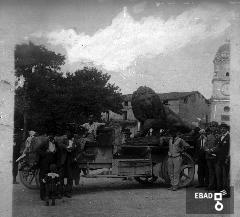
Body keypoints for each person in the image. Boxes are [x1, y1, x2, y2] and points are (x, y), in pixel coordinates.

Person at [36, 135, 60, 200]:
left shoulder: (56, 144)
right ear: (50, 139)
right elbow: (37, 149)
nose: (54, 140)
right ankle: (43, 196)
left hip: (52, 164)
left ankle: (51, 195)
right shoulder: (45, 143)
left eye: (55, 140)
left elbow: (57, 153)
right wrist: (44, 154)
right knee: (43, 179)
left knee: (52, 180)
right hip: (44, 163)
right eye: (53, 139)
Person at [215, 123, 230, 197]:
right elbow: (218, 148)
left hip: (226, 160)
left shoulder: (229, 137)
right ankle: (220, 191)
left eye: (224, 128)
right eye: (221, 128)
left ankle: (226, 193)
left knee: (225, 177)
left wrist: (228, 158)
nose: (222, 129)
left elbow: (231, 149)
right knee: (219, 176)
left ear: (227, 129)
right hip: (219, 159)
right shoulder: (221, 136)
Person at [204, 126, 217, 191]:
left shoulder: (218, 136)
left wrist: (211, 150)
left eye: (214, 126)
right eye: (211, 127)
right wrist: (207, 150)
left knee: (216, 172)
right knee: (210, 172)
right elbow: (205, 145)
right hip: (208, 156)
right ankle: (211, 185)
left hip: (215, 156)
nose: (212, 128)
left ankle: (216, 186)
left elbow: (218, 145)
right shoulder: (208, 136)